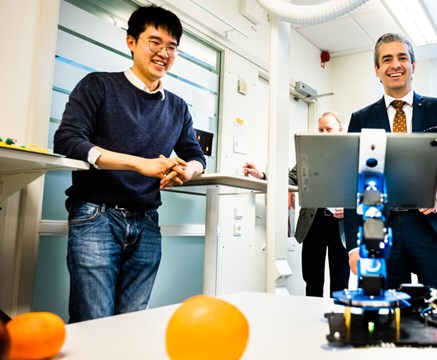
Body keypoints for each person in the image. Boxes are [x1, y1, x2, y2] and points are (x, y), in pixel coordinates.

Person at [53, 6, 206, 323]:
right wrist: (139, 165)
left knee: (133, 323)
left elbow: (196, 155)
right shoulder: (98, 86)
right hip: (96, 216)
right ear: (131, 42)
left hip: (147, 222)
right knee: (93, 321)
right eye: (155, 42)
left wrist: (187, 171)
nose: (164, 53)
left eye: (172, 46)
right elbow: (68, 140)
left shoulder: (178, 107)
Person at [344, 33, 437, 291]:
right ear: (377, 70)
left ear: (413, 66)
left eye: (402, 58)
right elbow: (352, 184)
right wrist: (352, 245)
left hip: (433, 229)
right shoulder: (361, 119)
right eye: (387, 59)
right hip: (378, 231)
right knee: (383, 315)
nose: (395, 65)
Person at [243, 112, 350, 297]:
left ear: (340, 131)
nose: (323, 134)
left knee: (340, 282)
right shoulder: (308, 155)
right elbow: (292, 178)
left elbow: (364, 188)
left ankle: (337, 322)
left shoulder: (351, 156)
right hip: (313, 223)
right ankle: (312, 320)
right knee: (312, 279)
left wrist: (350, 208)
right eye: (320, 130)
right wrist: (262, 175)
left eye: (328, 129)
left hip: (341, 227)